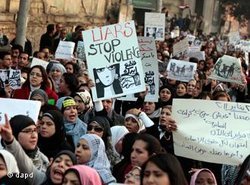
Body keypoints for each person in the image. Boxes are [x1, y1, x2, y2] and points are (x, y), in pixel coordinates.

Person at [0, 114, 77, 185]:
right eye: (27, 131)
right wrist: (10, 140)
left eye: (35, 130)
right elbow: (25, 164)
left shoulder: (43, 159)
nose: (34, 135)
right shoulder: (41, 179)